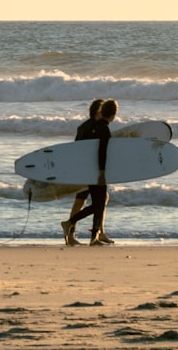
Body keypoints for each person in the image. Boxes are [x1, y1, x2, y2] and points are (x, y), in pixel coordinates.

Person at [60, 99, 117, 246]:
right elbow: (101, 151)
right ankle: (73, 227)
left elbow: (77, 150)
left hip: (84, 170)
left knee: (100, 200)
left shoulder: (84, 127)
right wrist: (102, 171)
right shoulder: (101, 128)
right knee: (94, 202)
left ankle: (97, 234)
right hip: (94, 171)